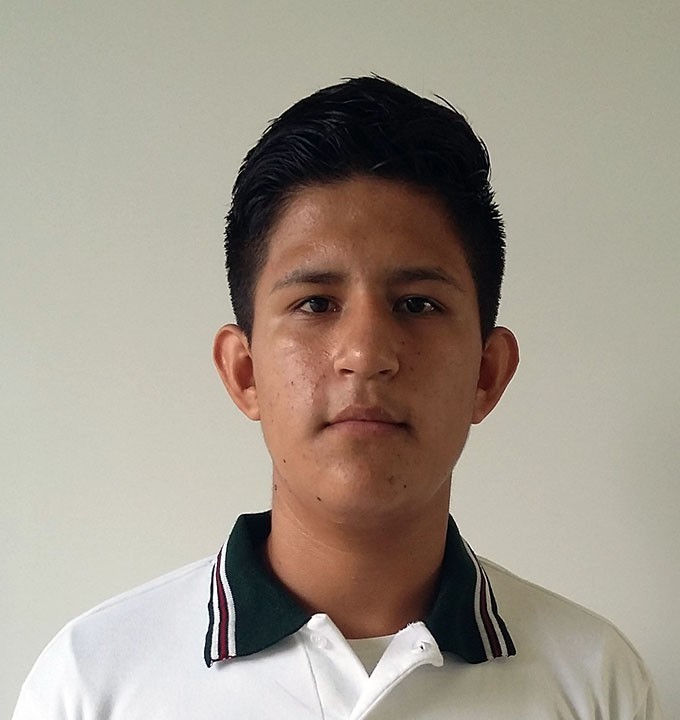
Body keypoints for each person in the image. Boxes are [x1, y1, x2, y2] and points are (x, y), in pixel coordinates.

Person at [13, 76, 663, 719]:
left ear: (486, 374)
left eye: (417, 304)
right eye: (316, 303)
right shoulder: (93, 682)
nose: (366, 353)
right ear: (244, 372)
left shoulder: (595, 684)